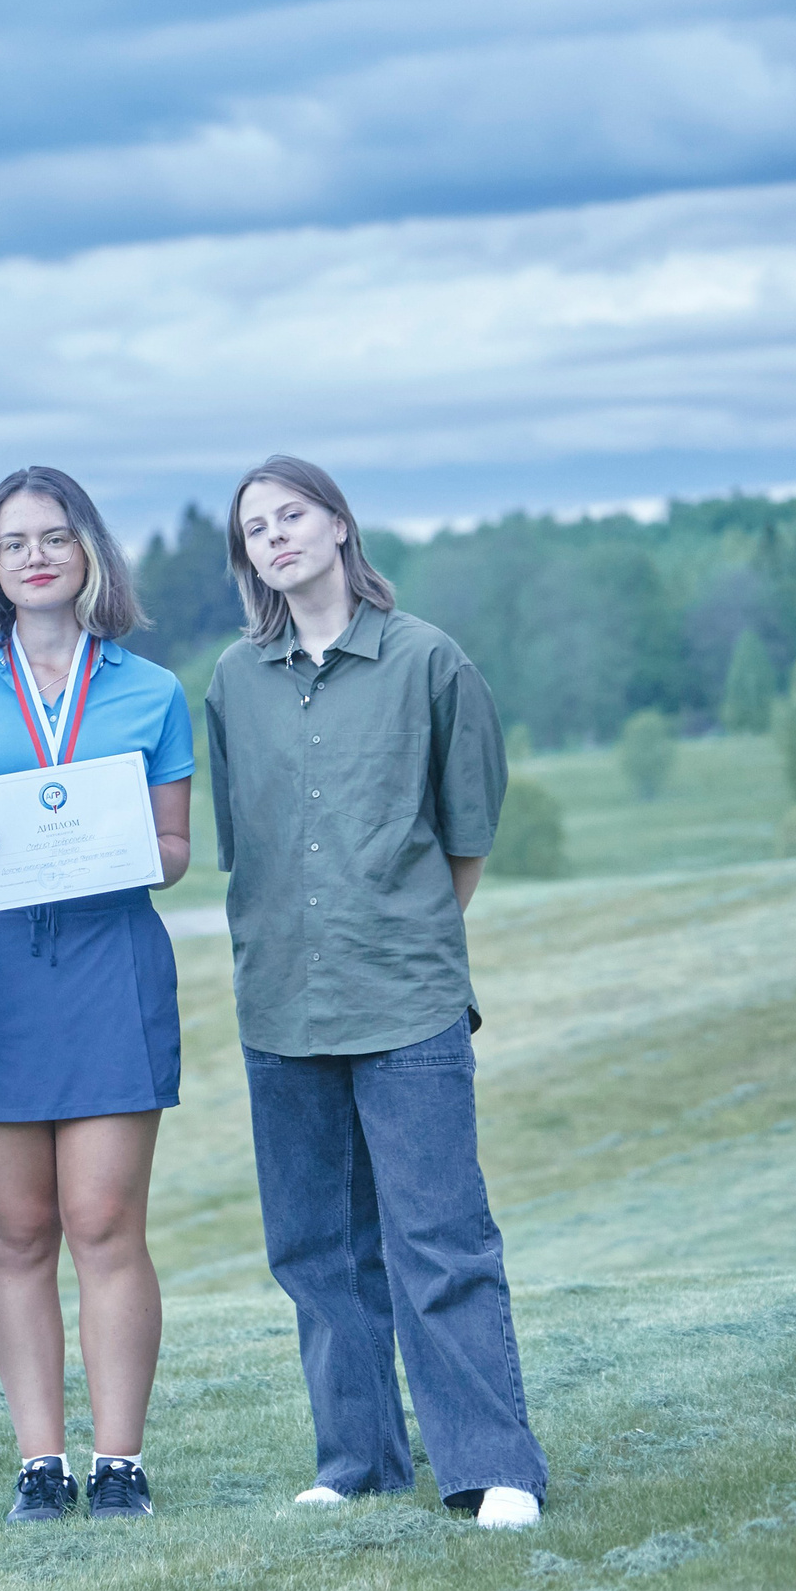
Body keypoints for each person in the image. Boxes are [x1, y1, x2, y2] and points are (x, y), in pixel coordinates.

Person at [206, 454, 546, 1531]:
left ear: (340, 526)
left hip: (405, 1000)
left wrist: (397, 931)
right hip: (280, 1003)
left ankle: (493, 1468)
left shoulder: (426, 661)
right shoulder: (231, 681)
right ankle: (358, 1460)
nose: (275, 537)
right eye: (255, 527)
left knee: (437, 1239)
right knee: (314, 1249)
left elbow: (465, 837)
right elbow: (242, 843)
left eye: (292, 514)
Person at [0, 467, 194, 1526]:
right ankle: (41, 1462)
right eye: (13, 541)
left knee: (104, 1220)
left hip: (109, 969)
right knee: (18, 1231)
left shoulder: (150, 692)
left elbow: (174, 854)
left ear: (88, 556)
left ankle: (119, 1461)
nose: (34, 556)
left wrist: (124, 848)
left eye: (54, 538)